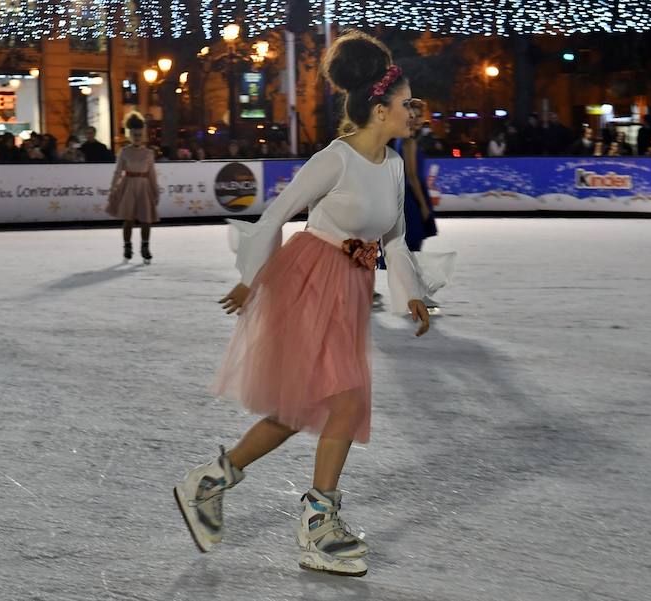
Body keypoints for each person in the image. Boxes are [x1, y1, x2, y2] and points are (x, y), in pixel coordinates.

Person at [174, 30, 448, 578]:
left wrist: (413, 293)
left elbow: (392, 235)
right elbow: (276, 215)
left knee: (298, 412)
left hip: (349, 288)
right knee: (343, 403)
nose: (415, 112)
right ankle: (318, 524)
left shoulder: (393, 165)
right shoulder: (336, 160)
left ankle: (207, 483)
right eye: (408, 103)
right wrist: (252, 280)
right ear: (379, 108)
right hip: (307, 280)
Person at [105, 113, 159, 263]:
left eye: (140, 134)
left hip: (144, 186)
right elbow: (118, 172)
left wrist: (155, 191)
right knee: (128, 219)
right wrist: (112, 188)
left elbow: (152, 173)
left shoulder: (148, 153)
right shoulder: (124, 152)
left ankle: (145, 247)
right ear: (130, 135)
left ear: (143, 135)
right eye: (134, 134)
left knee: (146, 220)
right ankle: (127, 246)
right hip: (128, 185)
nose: (137, 137)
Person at [395, 98, 437, 252]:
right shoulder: (408, 141)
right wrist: (423, 205)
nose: (420, 119)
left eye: (421, 115)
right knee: (411, 249)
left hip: (406, 198)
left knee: (408, 251)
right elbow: (412, 177)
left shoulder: (402, 139)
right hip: (411, 200)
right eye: (415, 115)